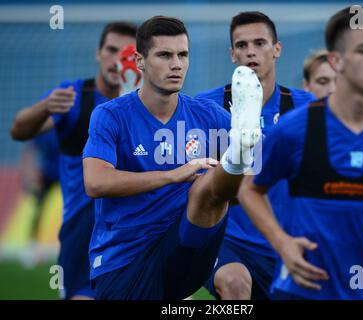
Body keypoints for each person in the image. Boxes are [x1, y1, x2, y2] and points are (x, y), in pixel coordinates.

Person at [82, 15, 264, 300]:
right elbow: (95, 182)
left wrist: (233, 179)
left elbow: (253, 186)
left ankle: (238, 153)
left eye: (183, 54)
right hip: (126, 258)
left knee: (206, 188)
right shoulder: (110, 115)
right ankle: (235, 158)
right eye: (165, 55)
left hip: (187, 242)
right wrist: (174, 174)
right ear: (140, 61)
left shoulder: (208, 115)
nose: (177, 64)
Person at [239, 6, 363, 299]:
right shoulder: (294, 128)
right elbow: (250, 189)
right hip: (302, 290)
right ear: (337, 60)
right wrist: (282, 242)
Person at [10, 21, 137, 299]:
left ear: (138, 60)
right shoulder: (75, 97)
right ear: (98, 53)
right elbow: (19, 130)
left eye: (125, 54)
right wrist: (44, 107)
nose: (117, 61)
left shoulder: (152, 104)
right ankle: (32, 245)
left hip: (136, 232)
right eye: (111, 50)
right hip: (83, 236)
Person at [196, 11, 315, 300]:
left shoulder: (307, 108)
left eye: (260, 43)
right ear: (232, 54)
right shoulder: (205, 106)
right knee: (235, 285)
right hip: (228, 239)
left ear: (277, 50)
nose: (250, 51)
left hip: (285, 238)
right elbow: (194, 176)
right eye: (241, 45)